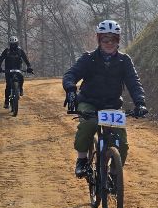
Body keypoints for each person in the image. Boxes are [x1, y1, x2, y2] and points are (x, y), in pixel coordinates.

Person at [62, 20, 148, 178]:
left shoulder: (124, 60)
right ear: (99, 40)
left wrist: (140, 102)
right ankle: (82, 160)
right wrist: (71, 90)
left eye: (113, 39)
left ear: (118, 41)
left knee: (122, 143)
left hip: (112, 105)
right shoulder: (88, 58)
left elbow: (134, 82)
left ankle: (114, 174)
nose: (109, 43)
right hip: (89, 102)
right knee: (89, 124)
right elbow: (71, 74)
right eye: (105, 39)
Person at [0, 36, 33, 108]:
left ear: (17, 44)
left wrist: (29, 67)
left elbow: (26, 59)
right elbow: (1, 59)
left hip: (18, 69)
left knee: (21, 78)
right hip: (8, 70)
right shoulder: (6, 51)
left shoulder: (20, 51)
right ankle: (6, 102)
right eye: (12, 44)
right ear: (10, 44)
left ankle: (21, 88)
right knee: (8, 85)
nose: (13, 46)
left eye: (14, 44)